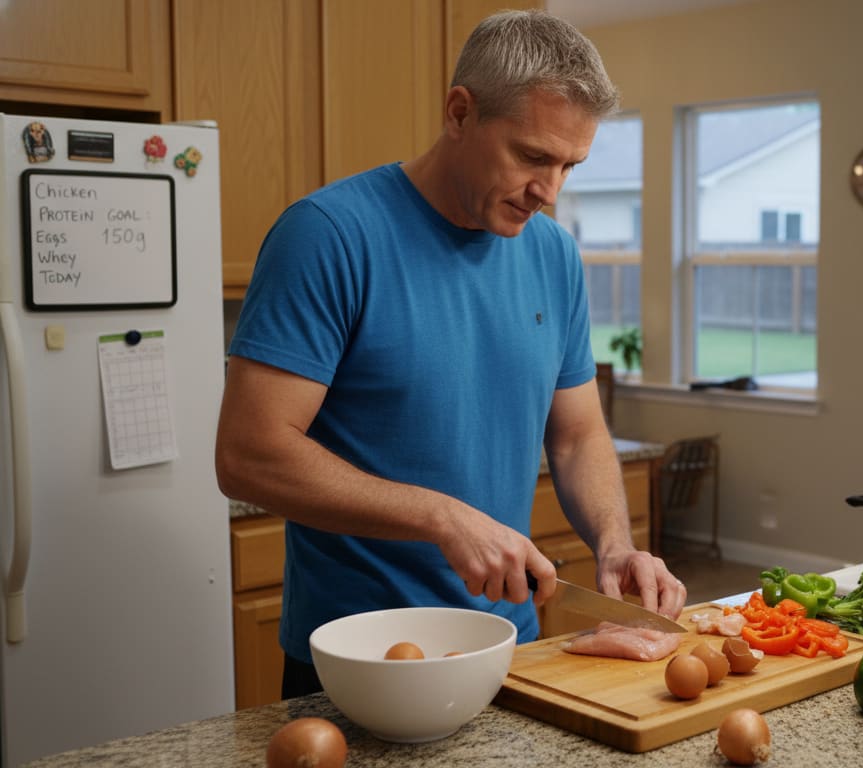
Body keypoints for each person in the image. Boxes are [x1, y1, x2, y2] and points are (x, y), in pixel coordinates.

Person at [215, 9, 686, 698]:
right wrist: (441, 516)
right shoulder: (328, 236)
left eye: (568, 165)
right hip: (357, 659)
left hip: (507, 650)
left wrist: (614, 543)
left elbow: (578, 433)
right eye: (531, 156)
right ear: (459, 113)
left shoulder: (552, 254)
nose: (549, 191)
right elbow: (247, 455)